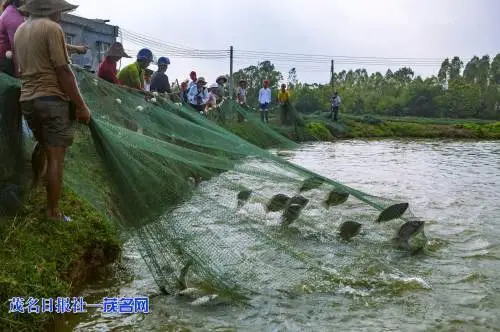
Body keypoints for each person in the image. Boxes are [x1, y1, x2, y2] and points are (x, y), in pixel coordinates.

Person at [14, 0, 91, 221]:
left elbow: (20, 69)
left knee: (42, 144)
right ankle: (53, 212)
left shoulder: (21, 30)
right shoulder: (51, 28)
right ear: (51, 9)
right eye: (61, 11)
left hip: (27, 99)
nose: (62, 15)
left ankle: (36, 187)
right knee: (56, 157)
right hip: (51, 99)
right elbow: (63, 71)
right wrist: (81, 106)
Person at [0, 0, 24, 76]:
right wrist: (18, 74)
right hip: (6, 62)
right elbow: (16, 48)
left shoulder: (12, 10)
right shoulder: (13, 17)